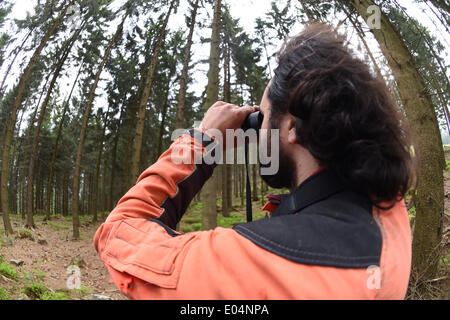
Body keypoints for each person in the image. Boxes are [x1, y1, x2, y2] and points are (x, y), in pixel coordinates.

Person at [94, 23, 415, 299]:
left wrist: (202, 141)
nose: (258, 131)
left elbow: (119, 232)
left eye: (263, 118)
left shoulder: (256, 260)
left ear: (292, 127)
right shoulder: (387, 210)